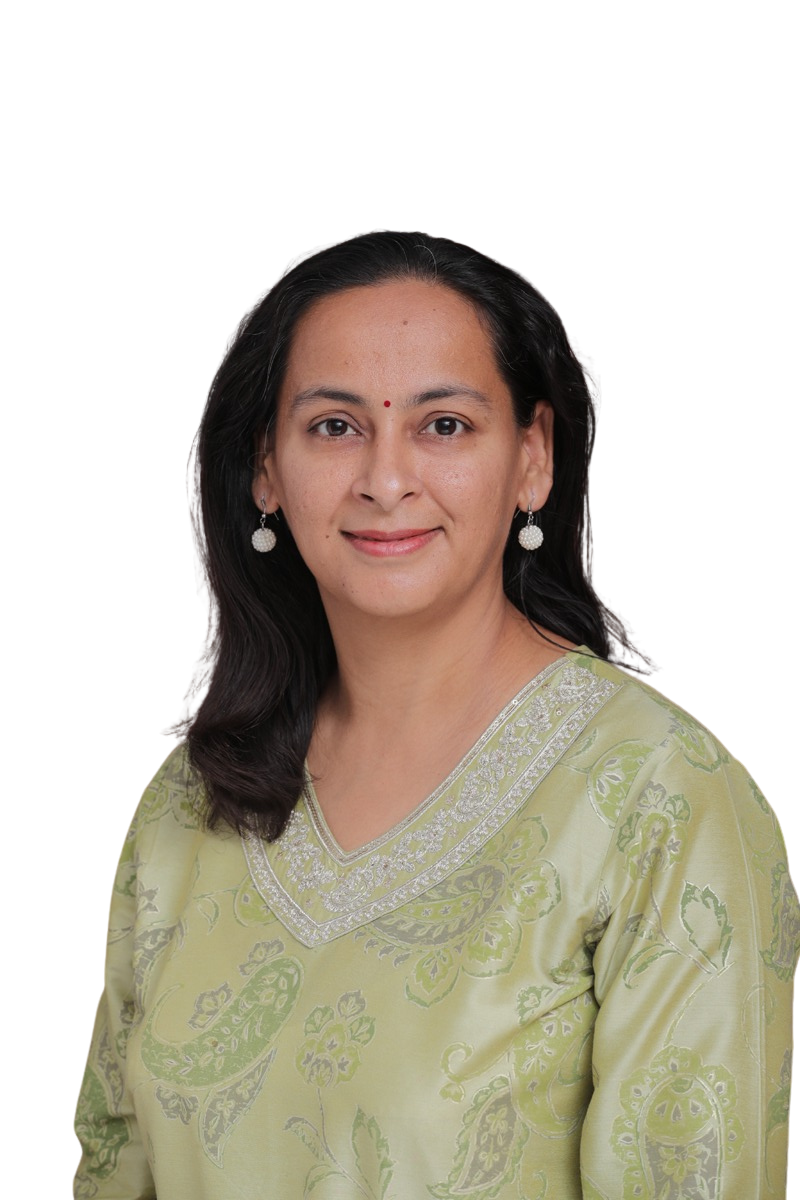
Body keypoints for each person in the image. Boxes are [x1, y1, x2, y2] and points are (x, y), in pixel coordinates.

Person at [74, 231, 797, 1199]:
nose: (385, 480)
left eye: (444, 425)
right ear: (264, 469)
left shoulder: (659, 799)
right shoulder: (189, 800)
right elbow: (112, 1168)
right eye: (334, 426)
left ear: (532, 459)